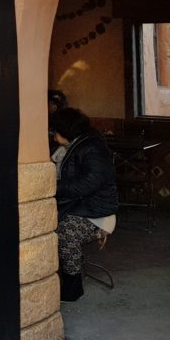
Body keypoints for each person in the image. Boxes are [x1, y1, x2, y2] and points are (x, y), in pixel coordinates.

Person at [50, 107, 118, 302]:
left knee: (65, 233)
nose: (54, 136)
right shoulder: (79, 143)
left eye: (56, 131)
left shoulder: (92, 147)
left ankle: (72, 289)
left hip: (97, 210)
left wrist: (55, 187)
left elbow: (90, 182)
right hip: (82, 205)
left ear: (66, 131)